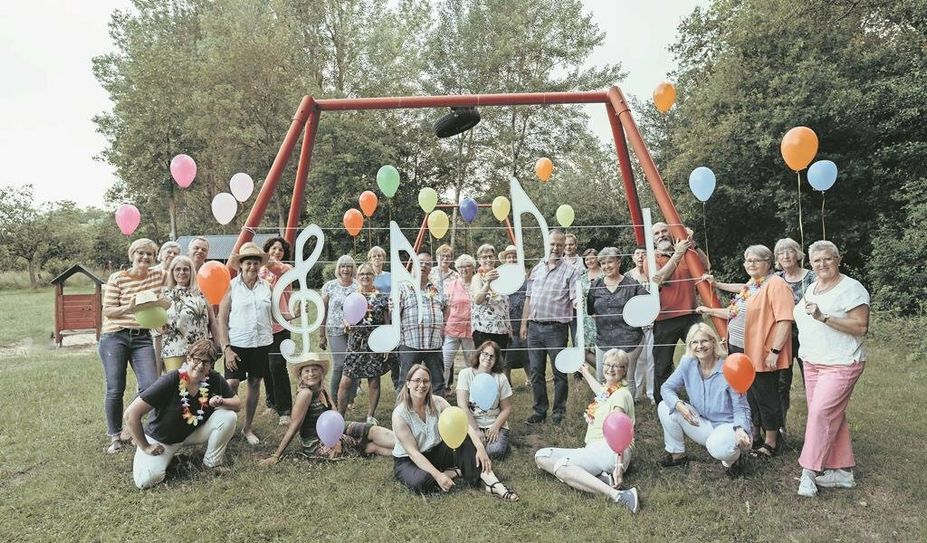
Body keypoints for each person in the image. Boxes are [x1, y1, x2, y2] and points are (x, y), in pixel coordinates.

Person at [698, 245, 794, 457]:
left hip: (760, 351)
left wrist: (775, 351)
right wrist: (710, 310)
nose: (751, 263)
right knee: (748, 395)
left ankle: (771, 442)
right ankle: (755, 434)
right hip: (738, 350)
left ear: (768, 263)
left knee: (765, 395)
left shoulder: (776, 284)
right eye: (748, 260)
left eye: (756, 260)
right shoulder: (752, 285)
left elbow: (785, 320)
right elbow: (734, 312)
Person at [793, 241, 870, 497]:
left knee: (819, 415)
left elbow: (860, 327)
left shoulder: (852, 288)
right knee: (830, 414)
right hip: (813, 363)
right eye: (817, 261)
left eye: (827, 259)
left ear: (838, 259)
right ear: (811, 265)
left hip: (842, 362)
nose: (822, 264)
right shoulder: (812, 287)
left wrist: (824, 317)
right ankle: (842, 473)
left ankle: (808, 471)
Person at [534, 349, 639, 513]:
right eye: (607, 365)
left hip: (611, 450)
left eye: (616, 366)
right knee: (542, 455)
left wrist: (619, 466)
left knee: (562, 466)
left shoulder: (621, 395)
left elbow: (619, 433)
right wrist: (585, 371)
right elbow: (601, 392)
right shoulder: (608, 390)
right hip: (594, 450)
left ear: (624, 370)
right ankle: (601, 479)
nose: (610, 369)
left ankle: (619, 495)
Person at [126, 339, 241, 489]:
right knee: (145, 480)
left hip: (190, 433)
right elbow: (130, 414)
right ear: (188, 358)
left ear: (210, 365)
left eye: (206, 362)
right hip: (162, 439)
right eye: (197, 360)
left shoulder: (214, 379)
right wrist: (146, 446)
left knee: (228, 416)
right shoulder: (171, 379)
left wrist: (221, 402)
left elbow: (237, 404)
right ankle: (170, 460)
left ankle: (211, 464)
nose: (200, 366)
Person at [392, 364, 519, 500]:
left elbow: (462, 423)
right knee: (421, 481)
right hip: (409, 460)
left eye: (426, 381)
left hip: (435, 451)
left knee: (465, 439)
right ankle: (455, 472)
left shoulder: (438, 402)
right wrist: (438, 475)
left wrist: (480, 447)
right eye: (417, 380)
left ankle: (494, 484)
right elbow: (413, 453)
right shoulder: (400, 414)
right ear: (408, 384)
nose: (422, 385)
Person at [260, 352, 396, 466]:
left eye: (315, 370)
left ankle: (410, 444)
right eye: (306, 371)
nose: (311, 374)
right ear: (301, 376)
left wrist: (336, 437)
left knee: (373, 430)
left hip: (333, 431)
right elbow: (294, 426)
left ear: (321, 372)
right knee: (370, 447)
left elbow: (334, 413)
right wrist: (276, 455)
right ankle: (410, 451)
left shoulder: (322, 387)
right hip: (316, 441)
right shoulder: (305, 394)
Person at [657, 323, 753, 477]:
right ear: (689, 345)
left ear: (713, 342)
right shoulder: (687, 363)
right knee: (665, 406)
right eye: (695, 342)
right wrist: (679, 404)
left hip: (727, 426)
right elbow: (666, 388)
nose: (700, 346)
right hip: (701, 422)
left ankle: (733, 460)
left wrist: (741, 429)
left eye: (704, 341)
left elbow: (741, 407)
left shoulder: (729, 368)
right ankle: (677, 454)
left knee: (717, 446)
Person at [99, 238, 166, 454]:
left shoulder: (158, 276)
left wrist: (164, 303)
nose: (145, 258)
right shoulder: (117, 278)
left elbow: (173, 279)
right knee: (115, 388)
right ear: (132, 255)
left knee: (150, 385)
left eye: (149, 254)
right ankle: (115, 437)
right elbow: (108, 310)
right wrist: (130, 307)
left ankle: (132, 418)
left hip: (142, 337)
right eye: (141, 253)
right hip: (115, 336)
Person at [520, 230, 581, 424]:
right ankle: (540, 410)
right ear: (547, 244)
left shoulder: (571, 271)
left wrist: (580, 302)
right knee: (536, 372)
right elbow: (528, 299)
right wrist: (524, 324)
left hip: (556, 329)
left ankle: (558, 412)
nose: (556, 248)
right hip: (534, 329)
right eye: (552, 244)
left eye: (560, 245)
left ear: (564, 247)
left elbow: (575, 298)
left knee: (559, 372)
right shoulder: (536, 269)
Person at [217, 242, 274, 446]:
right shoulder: (231, 286)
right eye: (248, 263)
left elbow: (274, 314)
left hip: (261, 343)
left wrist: (293, 315)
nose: (252, 267)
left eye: (256, 263)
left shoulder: (267, 287)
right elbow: (221, 320)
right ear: (240, 265)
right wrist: (227, 349)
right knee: (231, 384)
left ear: (260, 266)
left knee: (255, 382)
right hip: (238, 344)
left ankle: (247, 427)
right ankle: (224, 427)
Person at [649, 222, 705, 407]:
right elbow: (659, 279)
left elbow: (706, 266)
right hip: (665, 318)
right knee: (662, 364)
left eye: (664, 230)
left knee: (702, 359)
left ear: (671, 232)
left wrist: (693, 244)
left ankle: (701, 400)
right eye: (657, 233)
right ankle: (663, 404)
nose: (661, 235)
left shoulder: (686, 251)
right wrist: (678, 253)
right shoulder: (651, 258)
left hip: (691, 314)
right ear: (653, 238)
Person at [339, 263, 395, 424]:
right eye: (362, 274)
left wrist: (386, 345)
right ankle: (340, 415)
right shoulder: (352, 296)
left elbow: (386, 323)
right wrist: (346, 323)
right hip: (356, 343)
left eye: (369, 274)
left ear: (373, 276)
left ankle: (370, 415)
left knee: (374, 380)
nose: (365, 276)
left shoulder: (381, 298)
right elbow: (346, 316)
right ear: (357, 277)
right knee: (346, 381)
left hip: (374, 343)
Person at [587, 247, 647, 390]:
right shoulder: (595, 285)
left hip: (630, 340)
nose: (606, 266)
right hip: (604, 340)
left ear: (619, 262)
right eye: (603, 263)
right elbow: (591, 310)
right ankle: (607, 410)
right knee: (602, 377)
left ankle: (626, 411)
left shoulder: (632, 285)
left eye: (610, 262)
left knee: (627, 378)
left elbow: (648, 304)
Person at [774, 237, 815, 433]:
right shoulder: (776, 279)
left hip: (809, 338)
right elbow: (749, 289)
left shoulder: (813, 277)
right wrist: (718, 284)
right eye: (781, 253)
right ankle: (779, 426)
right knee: (781, 383)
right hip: (784, 338)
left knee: (813, 382)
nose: (786, 255)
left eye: (789, 251)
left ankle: (818, 425)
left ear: (798, 254)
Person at [397, 251, 447, 396]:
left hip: (434, 343)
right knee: (406, 381)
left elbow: (446, 306)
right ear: (413, 264)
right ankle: (402, 413)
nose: (424, 266)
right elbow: (394, 313)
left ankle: (438, 414)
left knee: (437, 382)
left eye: (428, 264)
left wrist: (441, 324)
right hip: (410, 343)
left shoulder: (436, 288)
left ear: (431, 268)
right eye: (421, 263)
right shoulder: (403, 287)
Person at [160, 256, 220, 373]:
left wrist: (218, 345)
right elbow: (158, 323)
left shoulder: (201, 293)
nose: (182, 272)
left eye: (185, 269)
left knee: (201, 386)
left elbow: (212, 321)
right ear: (172, 272)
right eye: (178, 269)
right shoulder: (165, 294)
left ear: (191, 272)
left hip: (200, 349)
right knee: (178, 385)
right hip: (174, 349)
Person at [259, 236, 295, 426]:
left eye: (280, 250)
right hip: (261, 327)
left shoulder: (286, 270)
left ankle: (285, 410)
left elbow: (275, 266)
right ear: (267, 250)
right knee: (265, 368)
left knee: (277, 367)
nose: (276, 252)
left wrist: (258, 256)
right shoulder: (259, 271)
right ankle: (271, 403)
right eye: (273, 249)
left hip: (280, 326)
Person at [456, 341, 513, 459]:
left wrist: (496, 427)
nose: (488, 358)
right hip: (471, 424)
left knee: (494, 451)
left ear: (496, 360)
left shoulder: (501, 378)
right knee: (466, 449)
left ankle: (501, 444)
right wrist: (476, 430)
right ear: (479, 354)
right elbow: (462, 406)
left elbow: (507, 408)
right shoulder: (465, 374)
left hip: (494, 423)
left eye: (492, 356)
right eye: (485, 354)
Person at [320, 254, 359, 407]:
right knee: (340, 363)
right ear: (338, 269)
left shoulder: (358, 286)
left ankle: (351, 398)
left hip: (354, 330)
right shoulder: (329, 286)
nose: (345, 269)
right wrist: (321, 334)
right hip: (335, 329)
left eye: (349, 266)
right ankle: (334, 398)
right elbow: (323, 311)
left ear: (353, 269)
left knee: (353, 363)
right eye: (343, 266)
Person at [470, 244, 512, 371]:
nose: (488, 259)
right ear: (479, 260)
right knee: (483, 364)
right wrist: (487, 282)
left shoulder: (502, 276)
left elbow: (506, 304)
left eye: (490, 256)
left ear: (495, 258)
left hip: (501, 330)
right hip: (483, 329)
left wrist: (509, 327)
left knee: (499, 364)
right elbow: (478, 300)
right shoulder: (477, 278)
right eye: (484, 257)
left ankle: (497, 390)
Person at [442, 254, 475, 393]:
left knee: (472, 363)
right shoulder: (451, 285)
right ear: (457, 268)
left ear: (473, 268)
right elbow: (445, 306)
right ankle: (440, 391)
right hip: (453, 328)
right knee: (445, 361)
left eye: (467, 266)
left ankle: (472, 391)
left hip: (472, 330)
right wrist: (443, 324)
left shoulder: (477, 283)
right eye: (461, 266)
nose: (464, 269)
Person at [627, 246, 655, 403]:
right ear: (632, 257)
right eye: (637, 254)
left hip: (651, 322)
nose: (640, 257)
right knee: (638, 359)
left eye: (644, 254)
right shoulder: (628, 276)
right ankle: (637, 393)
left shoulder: (653, 274)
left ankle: (651, 393)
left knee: (651, 359)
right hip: (634, 324)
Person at [500, 245, 527, 385]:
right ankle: (507, 383)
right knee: (506, 354)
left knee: (526, 351)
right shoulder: (500, 277)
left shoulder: (524, 276)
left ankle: (530, 379)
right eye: (509, 257)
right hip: (506, 320)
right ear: (505, 260)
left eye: (514, 256)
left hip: (522, 318)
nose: (512, 259)